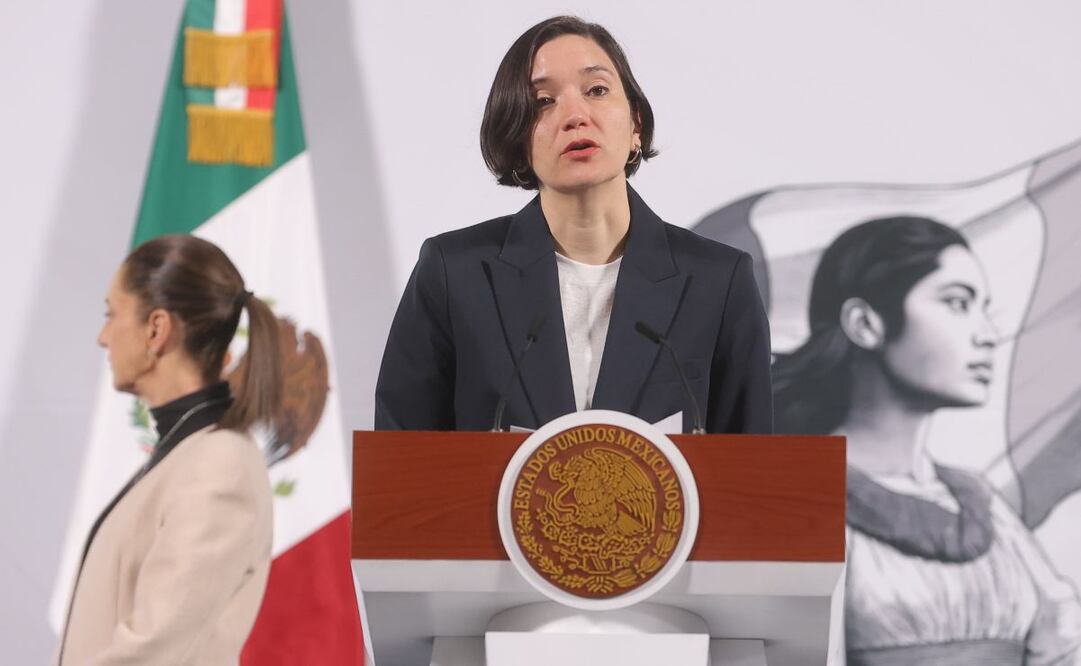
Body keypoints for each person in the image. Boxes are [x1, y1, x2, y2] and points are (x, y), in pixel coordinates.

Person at [375, 15, 772, 433]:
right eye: (544, 101)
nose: (575, 115)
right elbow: (402, 471)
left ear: (636, 123)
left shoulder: (718, 281)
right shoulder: (453, 274)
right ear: (517, 139)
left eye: (596, 90)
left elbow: (753, 476)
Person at [772, 217, 1081, 664]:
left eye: (983, 309)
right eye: (957, 303)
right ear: (865, 323)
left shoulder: (980, 502)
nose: (988, 336)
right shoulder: (796, 495)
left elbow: (1062, 643)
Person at [58, 235, 280, 665]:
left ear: (156, 328)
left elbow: (152, 650)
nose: (104, 337)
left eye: (112, 314)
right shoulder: (187, 453)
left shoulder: (221, 467)